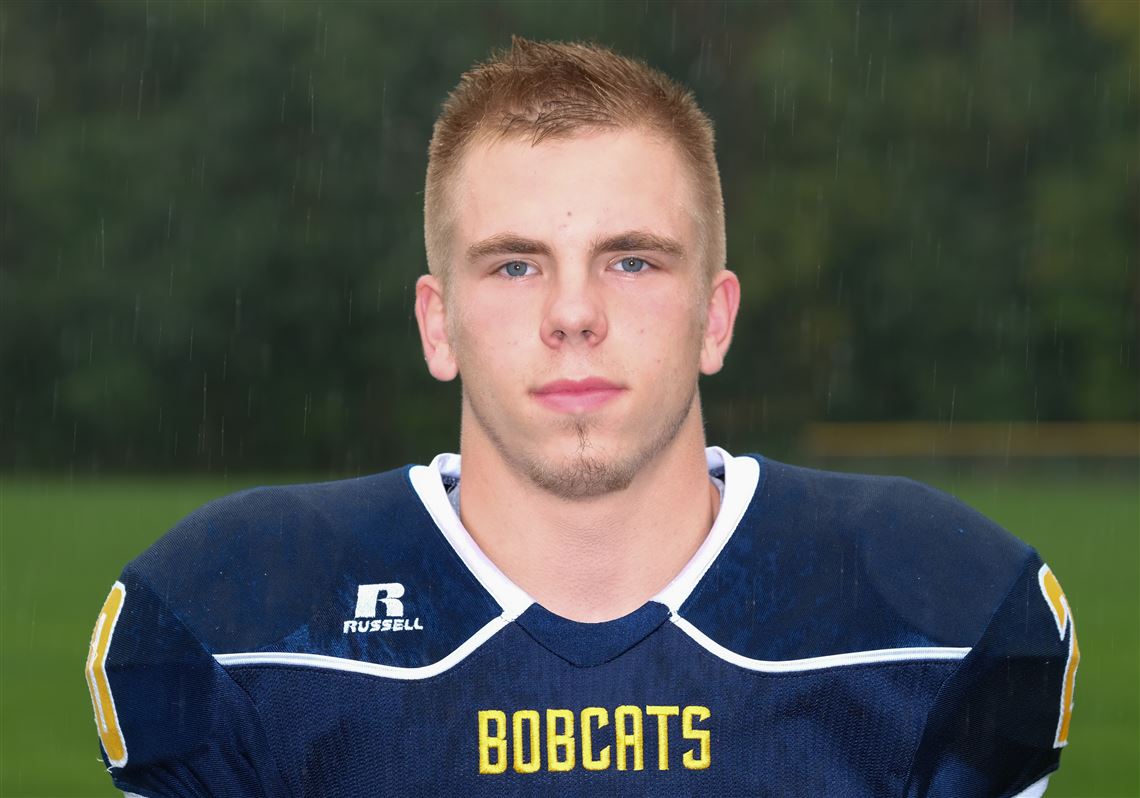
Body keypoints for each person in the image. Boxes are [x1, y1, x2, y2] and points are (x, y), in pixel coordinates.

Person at [85, 37, 1077, 797]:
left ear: (715, 317)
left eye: (632, 260)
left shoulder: (927, 616)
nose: (573, 313)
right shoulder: (247, 623)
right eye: (515, 265)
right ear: (437, 323)